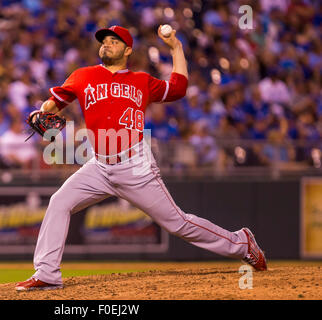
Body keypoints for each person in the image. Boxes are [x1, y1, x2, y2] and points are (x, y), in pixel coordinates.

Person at [16, 26, 267, 291]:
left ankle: (242, 242)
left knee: (177, 223)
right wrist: (39, 112)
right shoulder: (82, 76)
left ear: (127, 50)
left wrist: (176, 48)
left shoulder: (141, 80)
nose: (107, 44)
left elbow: (179, 88)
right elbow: (52, 104)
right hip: (99, 165)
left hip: (135, 165)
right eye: (105, 41)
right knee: (59, 202)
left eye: (115, 41)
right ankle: (47, 273)